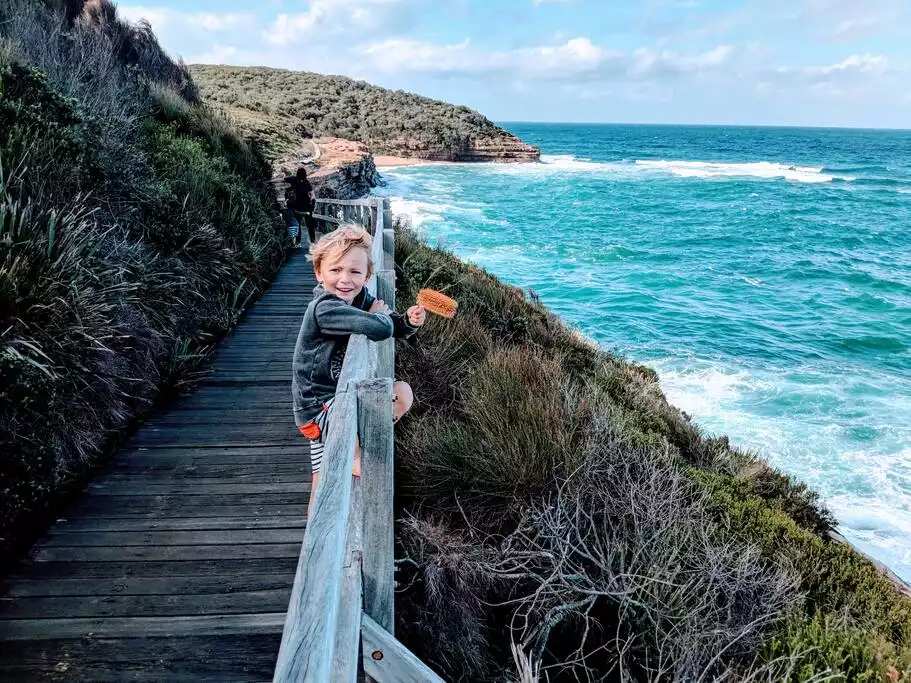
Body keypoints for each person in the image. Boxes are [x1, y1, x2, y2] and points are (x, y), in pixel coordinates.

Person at [291, 225, 425, 515]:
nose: (345, 279)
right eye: (336, 270)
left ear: (366, 276)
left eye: (354, 272)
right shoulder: (325, 308)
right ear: (319, 273)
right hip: (319, 408)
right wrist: (380, 317)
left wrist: (407, 322)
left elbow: (389, 326)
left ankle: (359, 445)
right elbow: (377, 327)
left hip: (340, 399)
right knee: (323, 477)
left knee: (403, 392)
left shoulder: (358, 298)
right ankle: (352, 459)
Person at [283, 167, 317, 246]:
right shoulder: (308, 183)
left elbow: (286, 179)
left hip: (298, 208)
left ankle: (298, 242)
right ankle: (313, 241)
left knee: (297, 225)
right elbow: (313, 197)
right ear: (305, 175)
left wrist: (285, 177)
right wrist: (313, 206)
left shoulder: (294, 180)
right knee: (310, 225)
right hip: (308, 208)